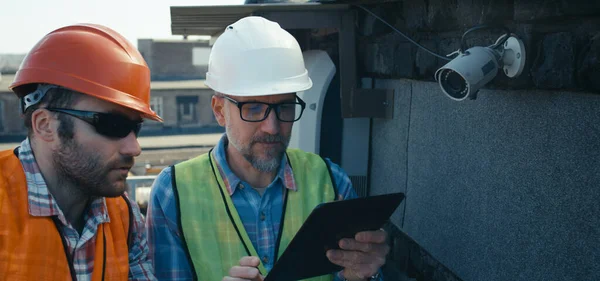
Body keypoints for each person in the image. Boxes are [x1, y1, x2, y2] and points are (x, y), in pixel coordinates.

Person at [146, 16, 389, 281]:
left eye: (284, 107)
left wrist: (366, 275)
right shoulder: (173, 194)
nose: (272, 127)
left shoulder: (331, 182)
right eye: (253, 108)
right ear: (219, 111)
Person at [0, 24, 160, 281]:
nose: (134, 148)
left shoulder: (123, 216)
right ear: (45, 125)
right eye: (112, 125)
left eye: (136, 128)